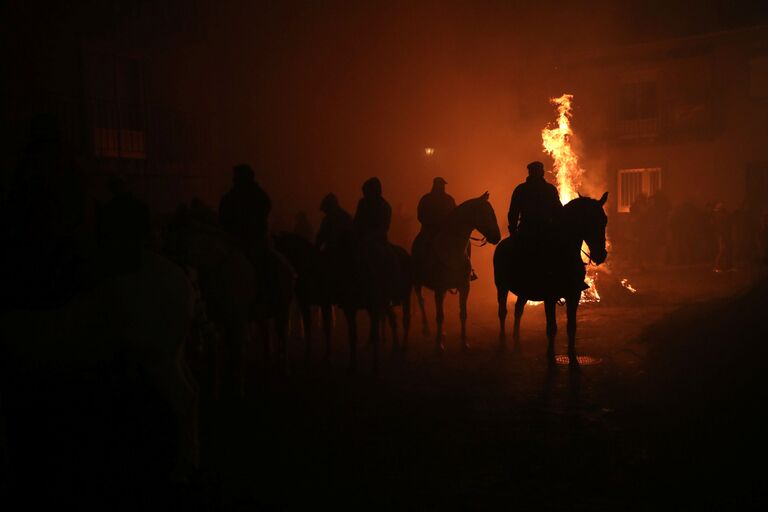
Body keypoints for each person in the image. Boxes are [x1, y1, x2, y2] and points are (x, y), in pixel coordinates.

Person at [218, 163, 271, 258]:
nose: (234, 178)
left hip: (254, 238)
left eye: (237, 175)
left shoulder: (257, 195)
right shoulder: (231, 196)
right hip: (233, 238)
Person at [507, 161, 562, 236]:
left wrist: (513, 230)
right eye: (540, 170)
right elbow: (558, 210)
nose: (542, 172)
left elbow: (513, 213)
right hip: (546, 231)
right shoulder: (549, 189)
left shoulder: (521, 189)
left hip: (527, 231)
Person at [354, 177, 391, 245]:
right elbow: (357, 221)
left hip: (378, 242)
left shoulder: (384, 206)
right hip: (361, 239)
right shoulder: (362, 203)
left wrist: (369, 237)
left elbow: (383, 228)